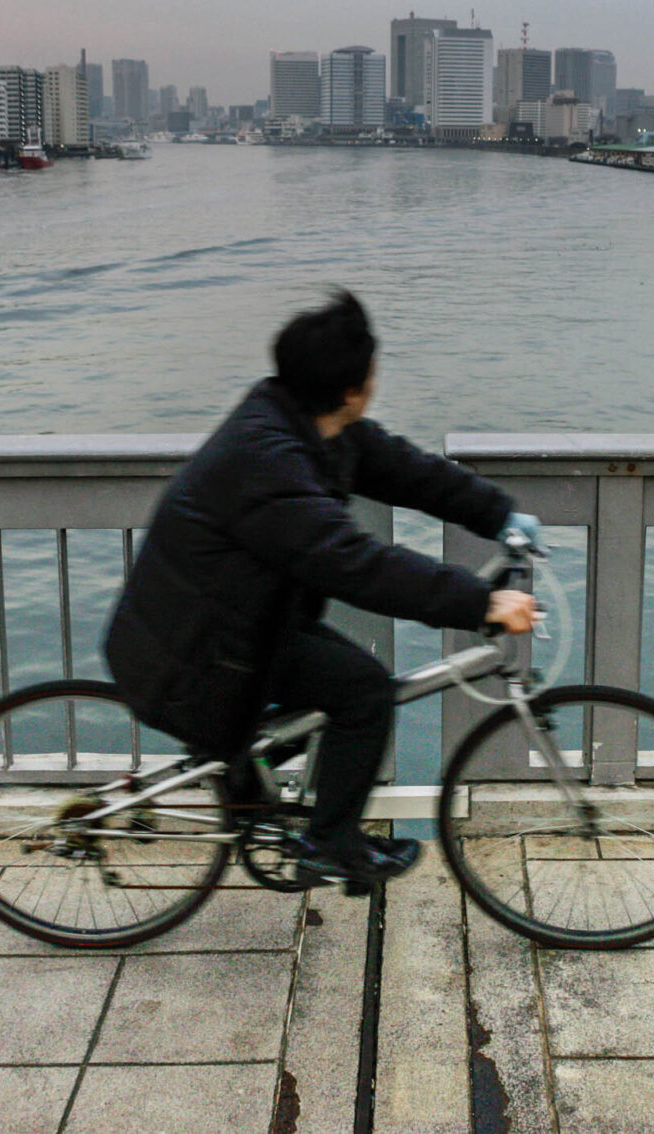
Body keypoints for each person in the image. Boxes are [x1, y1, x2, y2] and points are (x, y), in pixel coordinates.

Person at [103, 289, 539, 890]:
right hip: (196, 652)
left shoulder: (310, 422)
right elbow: (355, 563)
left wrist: (497, 513)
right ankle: (328, 845)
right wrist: (480, 602)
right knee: (364, 693)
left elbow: (404, 469)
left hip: (234, 622)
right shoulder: (268, 463)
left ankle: (247, 781)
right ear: (351, 390)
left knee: (327, 696)